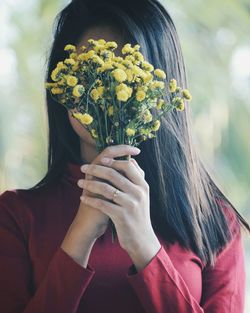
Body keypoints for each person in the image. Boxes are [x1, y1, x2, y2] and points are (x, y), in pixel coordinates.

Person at [0, 0, 249, 312]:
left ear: (159, 85)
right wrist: (78, 239)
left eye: (123, 74)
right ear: (62, 88)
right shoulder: (15, 215)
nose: (103, 92)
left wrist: (144, 246)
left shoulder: (214, 224)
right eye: (89, 74)